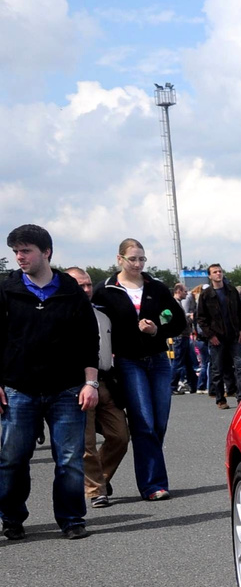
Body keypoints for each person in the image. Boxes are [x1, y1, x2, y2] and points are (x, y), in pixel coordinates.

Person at [0, 224, 100, 540]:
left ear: (46, 252)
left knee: (69, 460)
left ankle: (71, 519)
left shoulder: (71, 291)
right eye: (16, 251)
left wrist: (91, 383)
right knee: (12, 460)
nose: (19, 257)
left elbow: (89, 340)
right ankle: (12, 518)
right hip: (18, 388)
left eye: (26, 250)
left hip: (67, 389)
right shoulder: (7, 289)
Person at [93, 239, 184, 502]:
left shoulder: (156, 287)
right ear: (119, 259)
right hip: (127, 361)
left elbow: (176, 321)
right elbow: (97, 326)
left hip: (157, 359)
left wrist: (157, 329)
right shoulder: (106, 290)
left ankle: (113, 476)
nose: (138, 264)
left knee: (159, 422)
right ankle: (153, 484)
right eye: (132, 259)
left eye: (142, 259)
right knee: (143, 421)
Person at [65, 266, 129, 508]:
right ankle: (95, 491)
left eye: (89, 284)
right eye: (80, 285)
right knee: (86, 442)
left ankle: (100, 478)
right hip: (77, 384)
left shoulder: (103, 315)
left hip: (106, 380)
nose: (87, 289)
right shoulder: (61, 314)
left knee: (120, 436)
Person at [195, 263, 241, 409]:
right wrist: (210, 335)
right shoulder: (206, 295)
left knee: (240, 367)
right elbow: (201, 318)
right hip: (216, 337)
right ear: (210, 276)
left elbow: (240, 311)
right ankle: (220, 399)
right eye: (215, 272)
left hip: (234, 335)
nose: (218, 274)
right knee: (217, 369)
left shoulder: (231, 291)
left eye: (220, 271)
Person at [168, 282, 197, 394]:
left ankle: (193, 385)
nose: (187, 294)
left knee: (188, 361)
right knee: (178, 362)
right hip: (179, 336)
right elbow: (177, 320)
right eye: (185, 291)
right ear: (178, 291)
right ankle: (172, 386)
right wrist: (189, 319)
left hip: (183, 335)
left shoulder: (177, 303)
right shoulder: (174, 304)